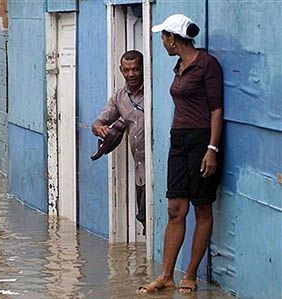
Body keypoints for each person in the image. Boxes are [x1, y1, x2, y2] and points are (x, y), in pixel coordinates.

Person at [137, 14, 223, 294]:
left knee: (201, 207)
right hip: (179, 141)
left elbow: (216, 110)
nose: (162, 42)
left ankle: (190, 274)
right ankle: (166, 276)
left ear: (172, 38)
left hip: (201, 141)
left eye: (163, 37)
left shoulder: (207, 64)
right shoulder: (180, 66)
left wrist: (211, 148)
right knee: (175, 208)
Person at [91, 50, 146, 234]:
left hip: (159, 168)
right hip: (140, 171)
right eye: (127, 70)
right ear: (121, 70)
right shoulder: (119, 98)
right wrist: (100, 128)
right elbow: (97, 123)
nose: (131, 74)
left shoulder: (155, 91)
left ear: (143, 68)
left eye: (136, 69)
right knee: (145, 218)